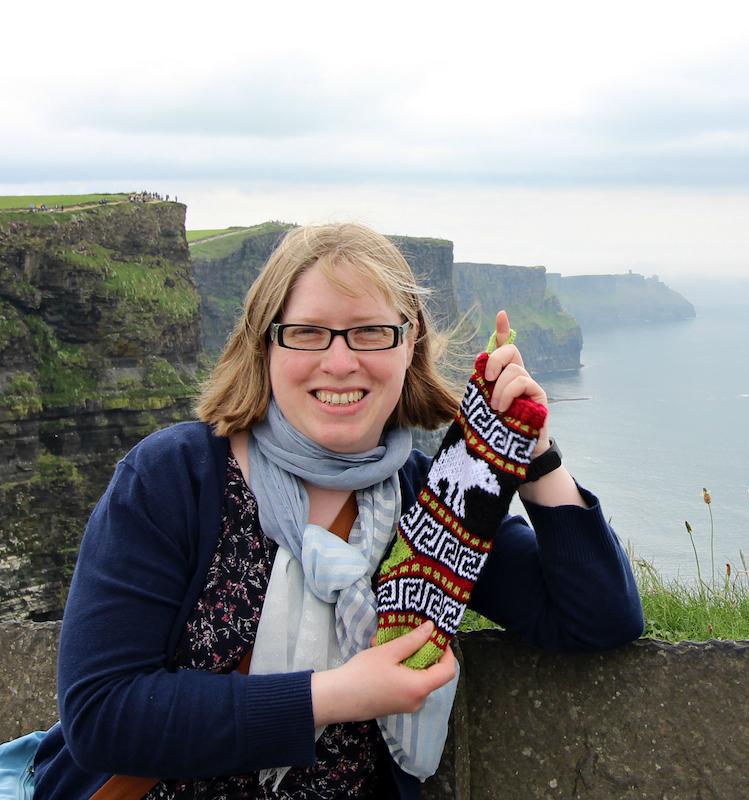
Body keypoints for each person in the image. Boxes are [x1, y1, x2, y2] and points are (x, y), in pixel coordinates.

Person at [33, 222, 643, 798]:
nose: (341, 361)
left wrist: (533, 454)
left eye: (371, 332)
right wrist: (334, 696)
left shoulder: (429, 503)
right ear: (265, 345)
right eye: (307, 332)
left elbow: (596, 618)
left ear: (410, 346)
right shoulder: (173, 477)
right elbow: (102, 715)